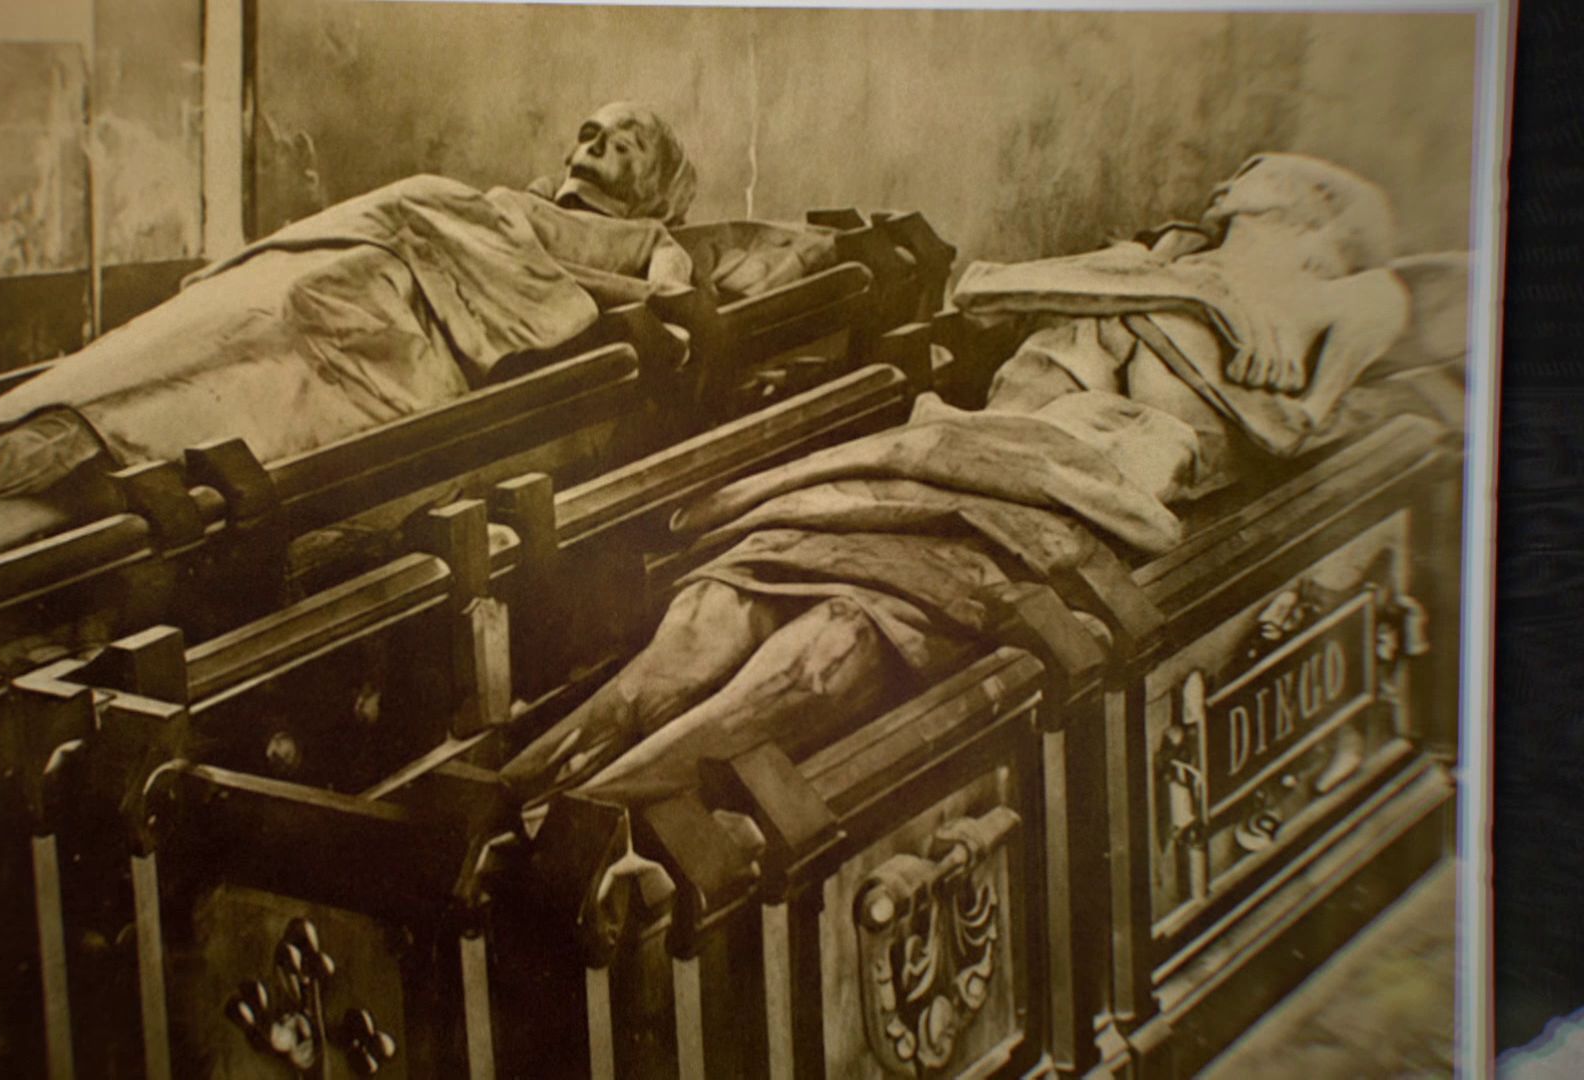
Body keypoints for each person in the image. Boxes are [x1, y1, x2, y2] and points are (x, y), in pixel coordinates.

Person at [499, 153, 1449, 815]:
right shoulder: (1150, 274)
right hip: (960, 453)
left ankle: (581, 813)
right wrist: (1193, 287)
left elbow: (1323, 401)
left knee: (838, 638)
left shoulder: (1338, 302)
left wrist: (1261, 325)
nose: (1234, 192)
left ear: (1313, 220)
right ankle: (519, 788)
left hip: (1074, 498)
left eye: (1261, 187)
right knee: (730, 598)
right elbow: (985, 286)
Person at [0, 103, 703, 571]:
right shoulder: (496, 199)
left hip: (361, 346)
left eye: (627, 142)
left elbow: (659, 292)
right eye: (589, 130)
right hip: (314, 277)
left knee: (114, 426)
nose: (595, 146)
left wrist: (620, 285)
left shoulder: (628, 237)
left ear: (655, 183)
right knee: (91, 387)